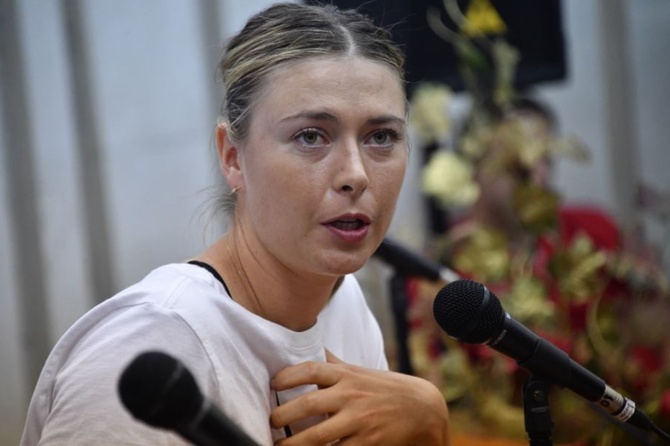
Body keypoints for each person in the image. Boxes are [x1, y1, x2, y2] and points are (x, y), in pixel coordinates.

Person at [21, 3, 451, 445]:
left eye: (381, 137)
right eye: (310, 136)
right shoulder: (142, 348)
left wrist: (429, 422)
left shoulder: (344, 304)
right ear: (232, 157)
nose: (355, 175)